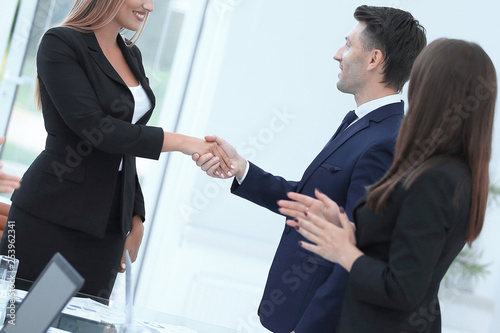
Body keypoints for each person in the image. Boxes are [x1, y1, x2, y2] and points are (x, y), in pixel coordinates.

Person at [193, 5, 426, 332]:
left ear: (373, 60)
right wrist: (241, 168)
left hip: (312, 318)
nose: (337, 54)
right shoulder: (360, 124)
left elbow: (354, 254)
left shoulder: (386, 141)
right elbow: (311, 203)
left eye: (347, 44)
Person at [0, 0, 230, 300]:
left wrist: (135, 217)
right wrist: (185, 143)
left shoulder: (131, 54)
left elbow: (124, 150)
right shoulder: (60, 42)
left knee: (85, 325)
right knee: (23, 322)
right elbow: (96, 129)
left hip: (106, 226)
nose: (149, 6)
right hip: (50, 216)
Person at [281, 38, 496, 332]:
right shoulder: (449, 170)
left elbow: (403, 288)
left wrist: (344, 250)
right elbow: (399, 250)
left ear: (433, 91)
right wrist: (348, 228)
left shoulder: (435, 179)